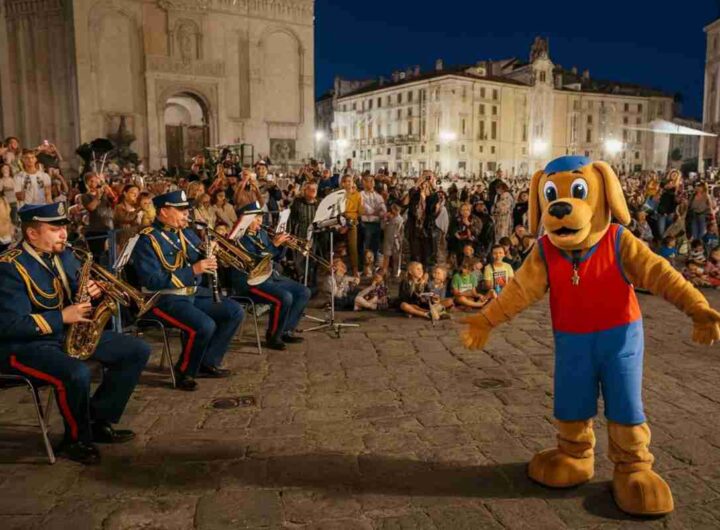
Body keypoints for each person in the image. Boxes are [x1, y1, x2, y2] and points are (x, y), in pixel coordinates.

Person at [0, 202, 150, 464]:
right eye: (55, 229)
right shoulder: (10, 266)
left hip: (67, 334)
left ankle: (97, 420)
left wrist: (95, 292)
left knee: (136, 350)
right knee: (75, 373)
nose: (64, 234)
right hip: (26, 346)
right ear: (32, 234)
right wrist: (61, 316)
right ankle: (76, 439)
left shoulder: (66, 255)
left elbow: (76, 293)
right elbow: (10, 325)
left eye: (64, 227)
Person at [131, 191, 244, 391]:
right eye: (181, 210)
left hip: (190, 293)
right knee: (204, 325)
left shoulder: (186, 232)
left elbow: (197, 256)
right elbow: (152, 280)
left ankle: (207, 362)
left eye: (186, 210)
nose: (186, 214)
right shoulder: (147, 239)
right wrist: (193, 270)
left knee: (234, 311)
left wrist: (211, 252)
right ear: (164, 211)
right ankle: (185, 371)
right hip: (163, 299)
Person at [231, 202, 311, 350]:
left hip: (268, 276)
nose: (260, 221)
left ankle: (286, 330)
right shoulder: (239, 238)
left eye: (261, 217)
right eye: (256, 218)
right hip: (249, 281)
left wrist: (283, 246)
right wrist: (274, 244)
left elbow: (276, 258)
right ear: (246, 219)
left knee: (303, 292)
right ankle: (273, 336)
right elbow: (257, 260)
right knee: (284, 297)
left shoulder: (260, 233)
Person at [80, 172, 116, 263]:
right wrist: (98, 196)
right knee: (98, 257)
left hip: (109, 228)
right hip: (97, 230)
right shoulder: (85, 196)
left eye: (95, 181)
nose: (93, 183)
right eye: (91, 181)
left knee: (112, 255)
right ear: (86, 184)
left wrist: (105, 184)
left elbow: (114, 199)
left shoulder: (104, 194)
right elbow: (91, 207)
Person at [360, 174, 386, 272]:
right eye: (369, 181)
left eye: (372, 181)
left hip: (376, 223)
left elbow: (383, 210)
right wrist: (375, 211)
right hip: (366, 224)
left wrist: (376, 212)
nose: (371, 183)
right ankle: (365, 267)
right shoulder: (361, 194)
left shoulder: (378, 196)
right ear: (364, 183)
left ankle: (374, 266)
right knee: (366, 246)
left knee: (375, 246)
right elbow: (365, 209)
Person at [341, 174, 363, 276]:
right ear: (343, 183)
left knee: (353, 246)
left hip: (352, 221)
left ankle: (355, 268)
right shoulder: (339, 194)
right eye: (347, 181)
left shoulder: (357, 195)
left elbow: (360, 212)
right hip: (340, 220)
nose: (350, 183)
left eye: (351, 181)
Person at [113, 184, 141, 250]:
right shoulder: (119, 207)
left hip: (136, 242)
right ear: (125, 193)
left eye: (137, 194)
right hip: (122, 243)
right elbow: (126, 218)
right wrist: (137, 211)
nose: (135, 196)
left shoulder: (137, 208)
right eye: (133, 193)